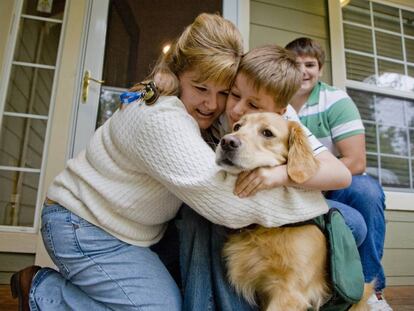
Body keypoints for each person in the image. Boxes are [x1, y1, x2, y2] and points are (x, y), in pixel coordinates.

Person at [9, 14, 348, 311]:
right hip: (82, 227)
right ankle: (42, 291)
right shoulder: (161, 118)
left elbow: (335, 170)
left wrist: (283, 175)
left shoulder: (228, 111)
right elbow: (227, 205)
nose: (213, 105)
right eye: (201, 88)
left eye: (223, 92)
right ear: (177, 74)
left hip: (140, 232)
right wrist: (315, 206)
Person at [180, 44, 366, 310]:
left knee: (354, 222)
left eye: (254, 105)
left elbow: (340, 174)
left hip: (280, 212)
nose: (237, 110)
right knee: (197, 217)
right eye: (234, 95)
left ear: (280, 110)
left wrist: (281, 175)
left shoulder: (285, 122)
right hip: (214, 209)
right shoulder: (214, 103)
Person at [285, 37, 390, 311]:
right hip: (288, 185)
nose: (304, 71)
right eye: (296, 64)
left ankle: (371, 291)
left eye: (310, 64)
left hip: (333, 184)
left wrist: (311, 178)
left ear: (320, 69)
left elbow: (355, 161)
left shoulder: (334, 100)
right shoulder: (275, 98)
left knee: (366, 191)